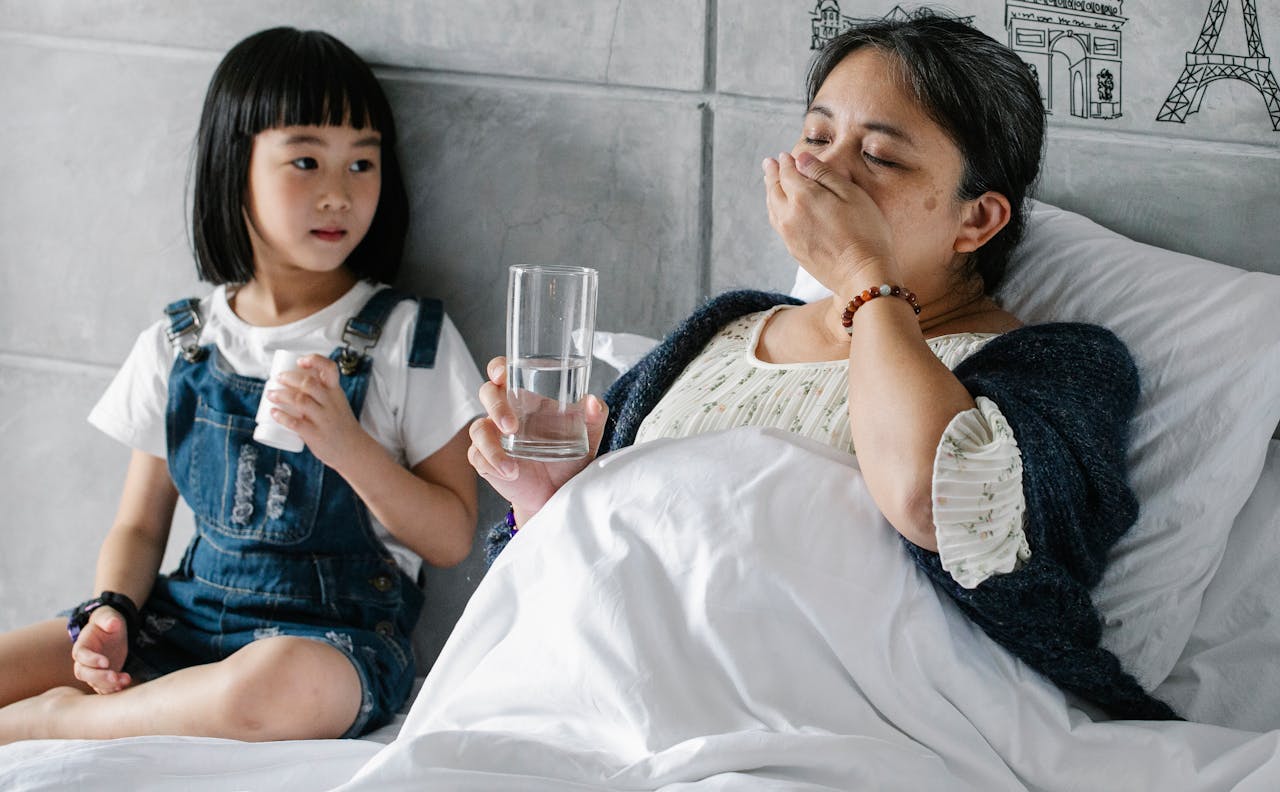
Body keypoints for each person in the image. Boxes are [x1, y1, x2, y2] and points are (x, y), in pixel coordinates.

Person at [469, 12, 1178, 720]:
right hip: (596, 701)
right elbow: (577, 587)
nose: (824, 169)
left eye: (882, 158)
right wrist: (546, 500)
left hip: (844, 727)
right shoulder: (722, 331)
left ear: (977, 221)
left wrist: (864, 275)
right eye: (815, 137)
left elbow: (933, 500)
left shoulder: (1062, 368)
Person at [0, 27, 483, 743]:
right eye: (307, 160)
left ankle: (62, 725)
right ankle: (120, 700)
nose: (338, 194)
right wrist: (112, 611)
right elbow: (139, 525)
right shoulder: (181, 341)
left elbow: (450, 536)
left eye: (362, 164)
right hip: (186, 617)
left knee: (268, 687)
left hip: (332, 642)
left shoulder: (410, 339)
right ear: (237, 170)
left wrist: (346, 445)